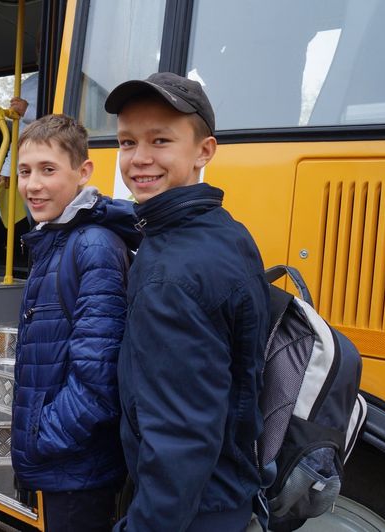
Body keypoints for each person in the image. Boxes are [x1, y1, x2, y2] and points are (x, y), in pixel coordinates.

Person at [104, 72, 270, 532]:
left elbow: (179, 437)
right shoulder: (224, 230)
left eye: (160, 140)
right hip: (228, 491)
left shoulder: (170, 275)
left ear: (204, 151)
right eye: (127, 142)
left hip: (191, 513)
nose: (139, 158)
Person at [11, 114, 139, 531]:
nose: (33, 185)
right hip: (66, 463)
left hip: (76, 466)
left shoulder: (92, 246)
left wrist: (42, 437)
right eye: (25, 171)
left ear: (83, 172)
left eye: (48, 170)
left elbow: (98, 378)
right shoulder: (56, 237)